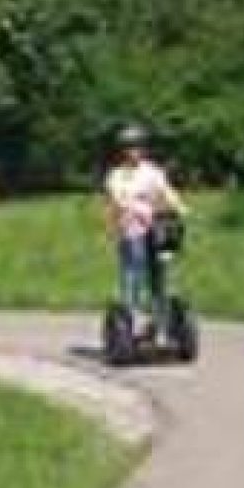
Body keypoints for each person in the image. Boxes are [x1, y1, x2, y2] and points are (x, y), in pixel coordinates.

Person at [104, 122, 188, 334]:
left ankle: (161, 319)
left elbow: (166, 192)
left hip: (155, 230)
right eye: (129, 147)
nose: (134, 152)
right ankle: (131, 317)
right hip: (131, 230)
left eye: (138, 147)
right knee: (134, 271)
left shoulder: (152, 172)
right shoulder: (117, 175)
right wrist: (133, 210)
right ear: (122, 151)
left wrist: (179, 207)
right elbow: (118, 199)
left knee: (160, 272)